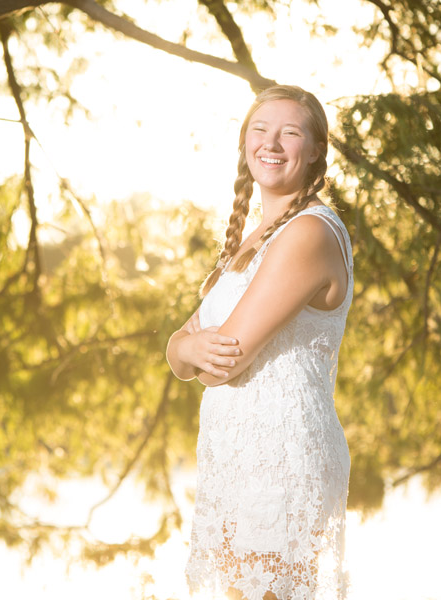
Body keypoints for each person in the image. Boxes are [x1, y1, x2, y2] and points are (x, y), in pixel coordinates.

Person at [165, 84, 354, 600]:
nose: (271, 143)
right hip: (237, 459)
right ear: (244, 142)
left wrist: (192, 352)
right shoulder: (260, 235)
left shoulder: (309, 233)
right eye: (259, 129)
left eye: (289, 133)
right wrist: (184, 349)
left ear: (315, 150)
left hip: (281, 460)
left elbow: (221, 362)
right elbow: (179, 348)